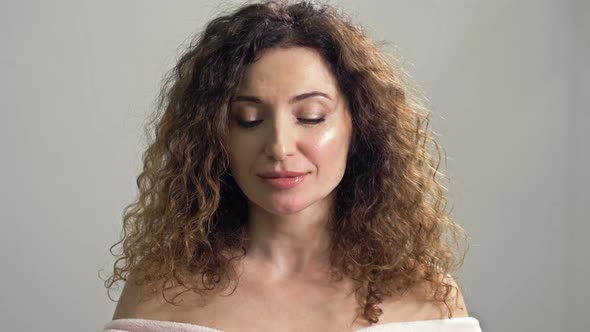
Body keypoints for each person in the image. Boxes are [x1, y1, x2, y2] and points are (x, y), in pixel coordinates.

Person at [101, 1, 482, 331]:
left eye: (311, 116)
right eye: (249, 119)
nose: (280, 147)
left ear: (360, 125)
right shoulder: (163, 290)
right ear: (215, 136)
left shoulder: (427, 295)